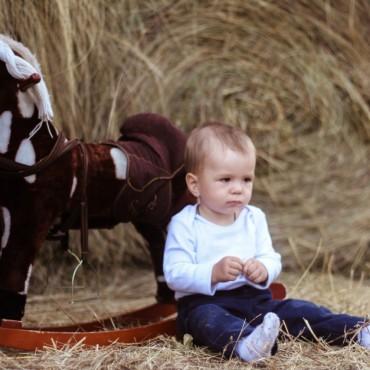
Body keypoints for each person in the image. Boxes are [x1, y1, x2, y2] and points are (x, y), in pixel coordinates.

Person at [163, 122, 370, 362]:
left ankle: (358, 330)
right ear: (195, 184)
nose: (238, 189)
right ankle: (246, 344)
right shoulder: (185, 223)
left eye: (246, 179)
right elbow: (174, 273)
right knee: (209, 322)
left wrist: (263, 270)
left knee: (300, 311)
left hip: (254, 300)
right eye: (226, 179)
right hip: (203, 302)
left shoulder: (254, 218)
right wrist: (213, 273)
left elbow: (271, 257)